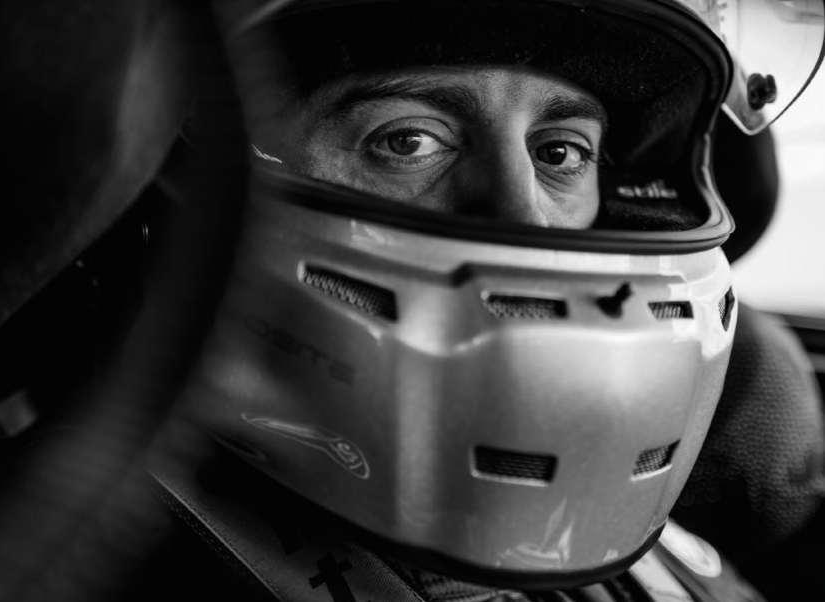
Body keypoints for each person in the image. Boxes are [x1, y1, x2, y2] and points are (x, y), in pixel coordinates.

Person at [144, 0, 825, 600]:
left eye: (560, 153)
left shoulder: (688, 517)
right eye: (407, 141)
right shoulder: (102, 539)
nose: (525, 214)